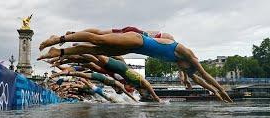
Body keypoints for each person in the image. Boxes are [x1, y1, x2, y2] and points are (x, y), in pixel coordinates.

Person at [38, 29, 232, 102]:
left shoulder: (182, 64)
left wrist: (214, 92)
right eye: (187, 69)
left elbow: (198, 79)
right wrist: (221, 89)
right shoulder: (185, 53)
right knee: (98, 40)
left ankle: (60, 52)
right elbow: (205, 75)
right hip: (139, 40)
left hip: (136, 49)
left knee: (96, 50)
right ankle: (59, 39)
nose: (186, 71)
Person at [48, 54, 162, 102]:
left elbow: (79, 82)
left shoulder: (129, 84)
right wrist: (156, 98)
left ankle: (64, 59)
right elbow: (148, 88)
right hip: (111, 68)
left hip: (106, 71)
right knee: (87, 64)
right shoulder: (126, 83)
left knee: (84, 66)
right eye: (143, 93)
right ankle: (66, 57)